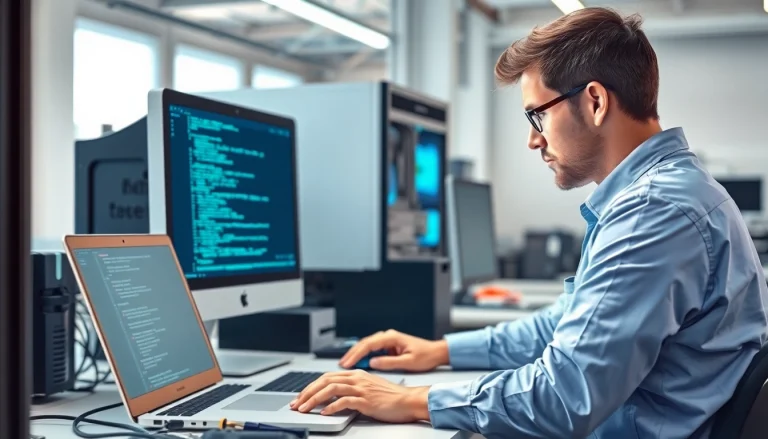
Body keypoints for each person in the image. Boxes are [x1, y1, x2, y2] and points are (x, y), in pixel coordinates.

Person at [289, 7, 768, 438]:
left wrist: (412, 399)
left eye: (537, 116)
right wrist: (441, 352)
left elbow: (564, 397)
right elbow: (565, 326)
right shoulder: (668, 193)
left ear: (596, 101)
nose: (532, 141)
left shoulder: (654, 212)